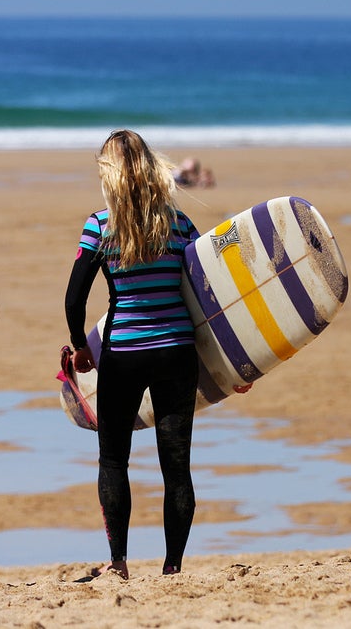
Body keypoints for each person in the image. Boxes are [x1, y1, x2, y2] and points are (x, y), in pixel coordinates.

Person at [64, 129, 203, 580]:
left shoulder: (101, 225)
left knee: (113, 460)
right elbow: (210, 294)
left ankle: (119, 562)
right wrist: (236, 359)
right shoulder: (178, 223)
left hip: (123, 352)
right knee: (176, 464)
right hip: (178, 352)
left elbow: (74, 298)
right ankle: (172, 566)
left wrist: (81, 349)